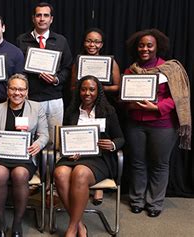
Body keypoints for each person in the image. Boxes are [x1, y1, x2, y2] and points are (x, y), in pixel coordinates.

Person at [124, 29, 191, 217]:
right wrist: (126, 100)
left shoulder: (170, 69)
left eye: (149, 45)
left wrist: (157, 107)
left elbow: (179, 97)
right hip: (135, 123)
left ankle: (154, 203)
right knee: (137, 163)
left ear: (157, 47)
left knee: (159, 164)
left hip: (162, 125)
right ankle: (137, 200)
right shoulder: (131, 70)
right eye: (141, 45)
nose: (145, 49)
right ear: (136, 48)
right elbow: (124, 97)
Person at [53, 75, 125, 237]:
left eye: (91, 89)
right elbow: (66, 137)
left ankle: (71, 229)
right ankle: (79, 224)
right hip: (74, 156)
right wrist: (68, 150)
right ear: (79, 91)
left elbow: (120, 138)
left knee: (80, 173)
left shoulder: (108, 111)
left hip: (99, 158)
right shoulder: (71, 111)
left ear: (97, 91)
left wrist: (112, 145)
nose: (87, 93)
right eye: (83, 89)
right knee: (60, 173)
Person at [0, 74, 49, 236]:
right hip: (0, 156)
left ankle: (17, 222)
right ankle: (1, 221)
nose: (17, 93)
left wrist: (38, 144)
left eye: (21, 89)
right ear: (7, 90)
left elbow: (44, 134)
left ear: (27, 91)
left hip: (24, 156)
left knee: (20, 174)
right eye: (13, 88)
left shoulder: (36, 108)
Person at [70, 28, 122, 205]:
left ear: (102, 44)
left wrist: (98, 88)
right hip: (83, 106)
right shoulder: (79, 61)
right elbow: (72, 87)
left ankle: (97, 186)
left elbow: (118, 87)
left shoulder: (110, 62)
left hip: (104, 107)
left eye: (96, 42)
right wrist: (86, 90)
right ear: (84, 42)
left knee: (101, 140)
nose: (92, 45)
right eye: (89, 41)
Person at [16, 2, 73, 148]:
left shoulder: (61, 40)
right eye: (39, 15)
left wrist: (56, 79)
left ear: (51, 19)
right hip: (31, 98)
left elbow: (67, 68)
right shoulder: (22, 40)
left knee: (54, 141)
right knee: (30, 138)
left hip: (54, 98)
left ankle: (53, 171)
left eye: (46, 15)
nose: (42, 19)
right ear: (33, 18)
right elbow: (18, 68)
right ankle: (33, 170)